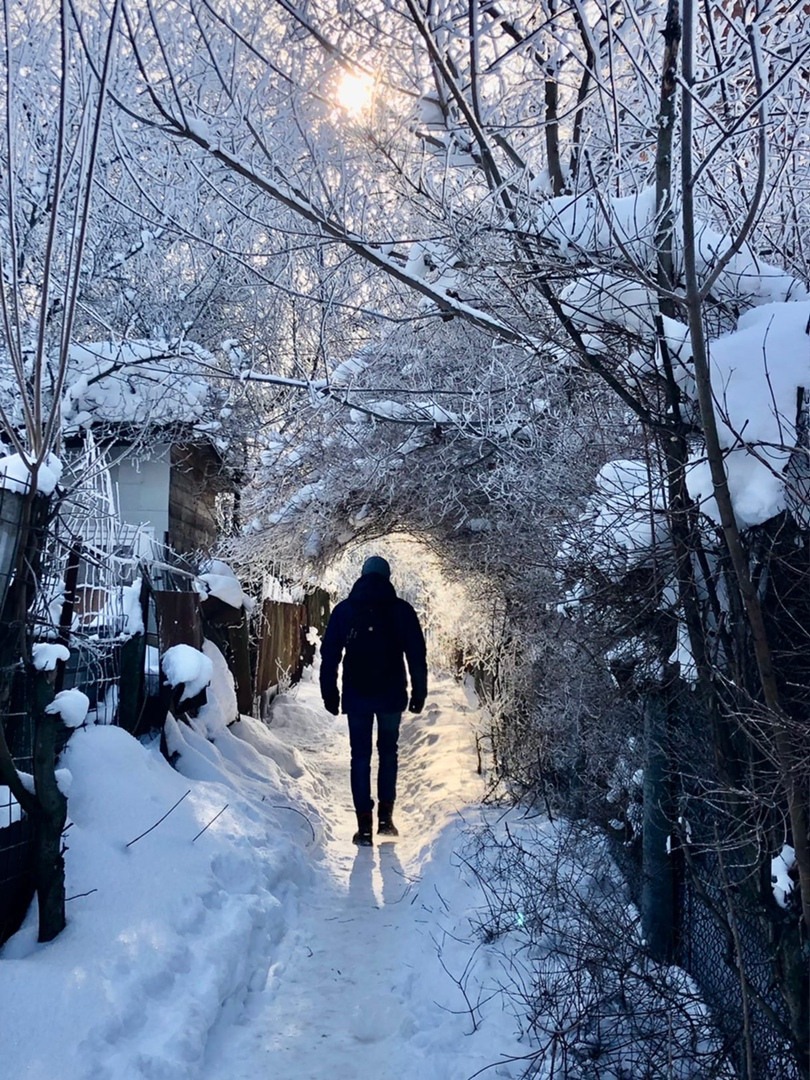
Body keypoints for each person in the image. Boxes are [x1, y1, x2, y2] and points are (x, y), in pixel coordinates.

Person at [319, 555, 427, 845]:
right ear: (388, 578)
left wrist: (329, 692)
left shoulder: (345, 610)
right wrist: (420, 692)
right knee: (389, 751)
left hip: (357, 694)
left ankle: (364, 825)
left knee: (360, 756)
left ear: (362, 575)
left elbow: (329, 655)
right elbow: (417, 655)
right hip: (391, 695)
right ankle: (386, 818)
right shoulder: (402, 611)